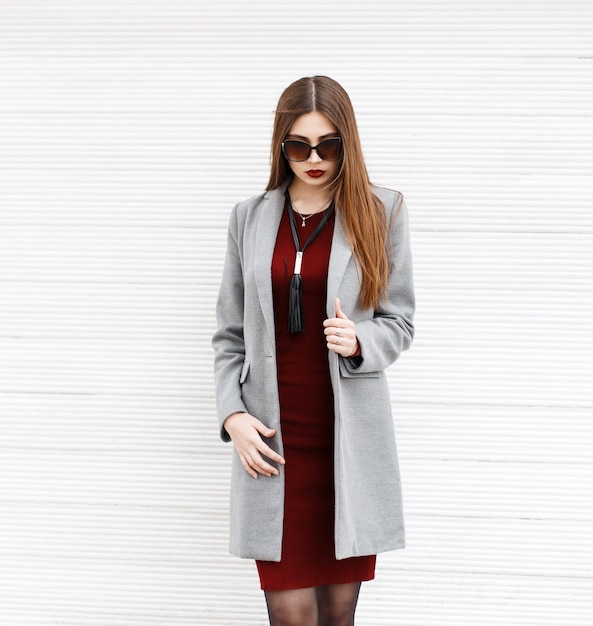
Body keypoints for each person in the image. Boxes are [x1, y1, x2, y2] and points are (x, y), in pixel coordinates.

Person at [212, 75, 415, 626]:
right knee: (291, 613)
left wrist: (360, 342)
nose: (314, 158)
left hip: (346, 441)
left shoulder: (382, 211)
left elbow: (399, 321)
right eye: (300, 145)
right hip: (275, 443)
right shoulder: (249, 218)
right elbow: (229, 333)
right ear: (282, 146)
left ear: (347, 142)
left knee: (337, 614)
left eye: (328, 144)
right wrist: (233, 415)